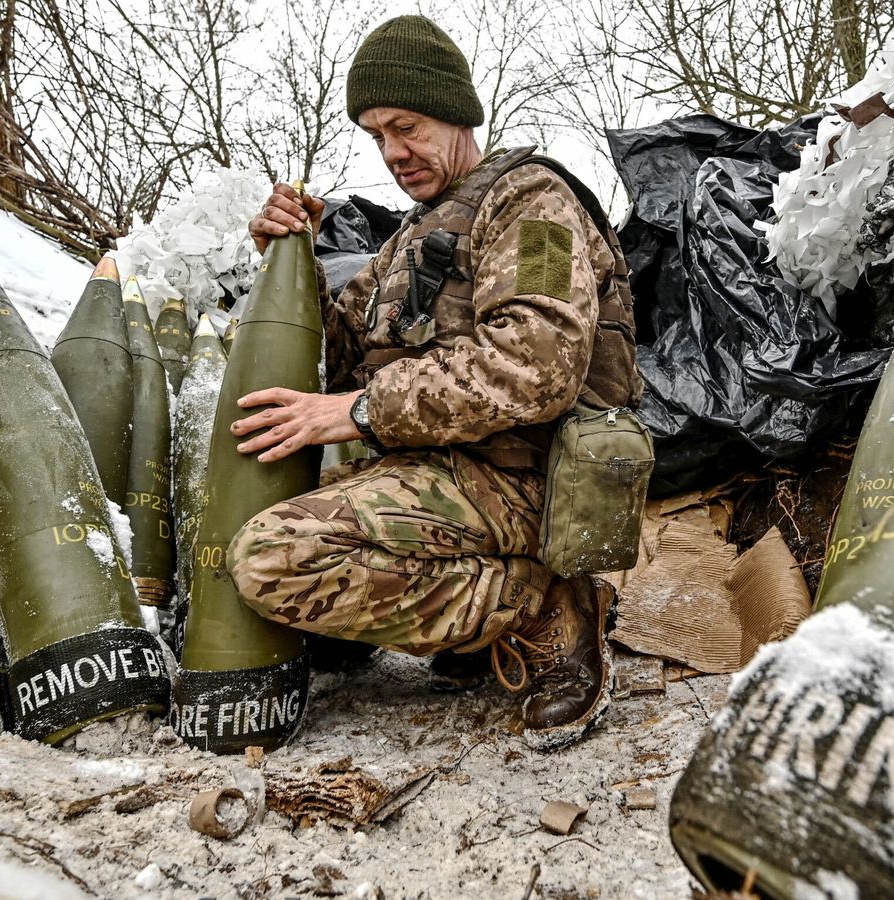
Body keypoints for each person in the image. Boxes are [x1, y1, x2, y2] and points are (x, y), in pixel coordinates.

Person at [230, 15, 642, 750]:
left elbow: (537, 362)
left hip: (528, 476)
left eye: (406, 125)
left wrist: (358, 413)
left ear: (456, 111)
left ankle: (542, 605)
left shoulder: (530, 202)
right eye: (375, 135)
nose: (393, 152)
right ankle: (486, 619)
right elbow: (338, 358)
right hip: (441, 472)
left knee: (276, 559)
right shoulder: (409, 241)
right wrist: (287, 265)